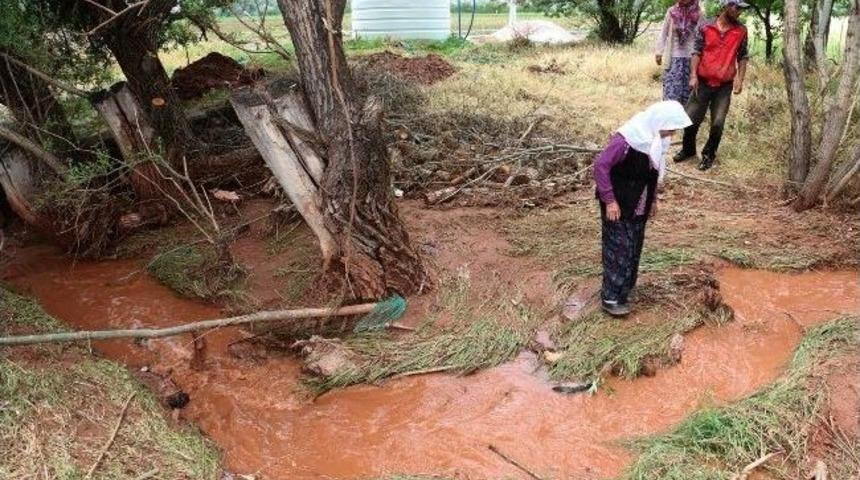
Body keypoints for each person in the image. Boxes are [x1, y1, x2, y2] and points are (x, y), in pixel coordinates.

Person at [594, 101, 692, 317]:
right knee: (618, 248)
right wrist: (609, 200)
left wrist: (653, 199)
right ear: (659, 122)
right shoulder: (626, 140)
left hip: (639, 203)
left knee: (633, 248)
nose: (672, 133)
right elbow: (601, 166)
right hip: (618, 204)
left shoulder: (656, 142)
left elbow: (653, 173)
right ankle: (610, 297)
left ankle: (624, 290)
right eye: (671, 128)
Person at [674, 0, 750, 171]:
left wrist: (740, 79)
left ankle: (708, 155)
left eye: (741, 9)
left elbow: (743, 56)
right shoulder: (706, 26)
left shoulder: (741, 30)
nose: (739, 12)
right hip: (702, 81)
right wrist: (693, 75)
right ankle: (688, 150)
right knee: (690, 119)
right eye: (736, 7)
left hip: (724, 86)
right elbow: (697, 51)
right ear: (725, 6)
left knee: (717, 123)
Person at [655, 0, 703, 105]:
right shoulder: (671, 11)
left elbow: (702, 38)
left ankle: (687, 121)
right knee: (671, 96)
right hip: (674, 60)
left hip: (692, 61)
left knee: (689, 97)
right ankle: (670, 120)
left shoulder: (699, 13)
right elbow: (664, 33)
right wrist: (659, 52)